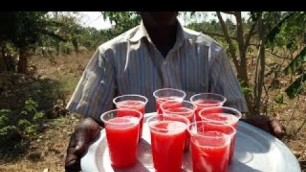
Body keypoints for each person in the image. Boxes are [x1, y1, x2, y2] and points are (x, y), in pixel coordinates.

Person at [64, 12, 285, 172]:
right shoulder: (110, 54)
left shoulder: (211, 52)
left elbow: (228, 120)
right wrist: (88, 126)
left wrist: (247, 125)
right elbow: (96, 119)